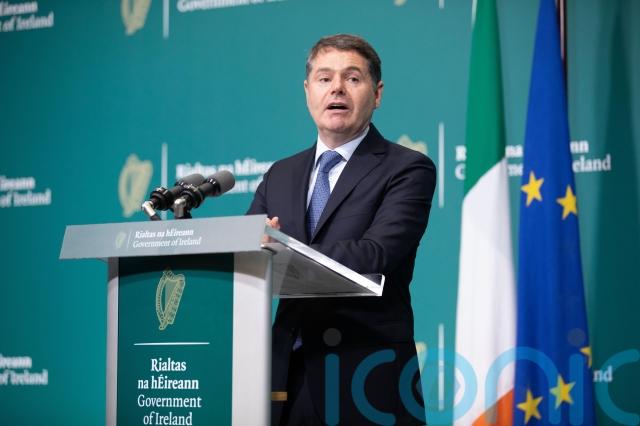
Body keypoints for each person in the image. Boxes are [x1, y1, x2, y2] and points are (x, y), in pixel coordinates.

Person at [247, 34, 436, 425]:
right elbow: (251, 250)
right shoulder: (280, 174)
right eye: (324, 78)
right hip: (286, 378)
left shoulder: (407, 168)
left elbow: (377, 253)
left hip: (366, 377)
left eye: (352, 78)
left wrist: (282, 248)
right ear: (307, 91)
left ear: (376, 94)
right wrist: (253, 244)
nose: (336, 88)